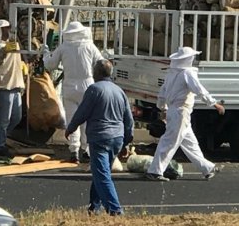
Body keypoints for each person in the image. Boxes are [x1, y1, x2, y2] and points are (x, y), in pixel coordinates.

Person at [145, 46, 225, 182]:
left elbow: (162, 94)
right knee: (169, 142)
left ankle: (207, 169)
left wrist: (163, 109)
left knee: (190, 144)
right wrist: (214, 103)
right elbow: (199, 89)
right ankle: (155, 171)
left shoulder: (171, 73)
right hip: (181, 112)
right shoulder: (188, 73)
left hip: (175, 111)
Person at [65, 59, 133, 216]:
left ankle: (115, 210)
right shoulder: (119, 91)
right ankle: (94, 207)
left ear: (96, 73)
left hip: (100, 137)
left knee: (102, 175)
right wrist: (127, 142)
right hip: (117, 137)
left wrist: (71, 128)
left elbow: (83, 112)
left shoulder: (94, 89)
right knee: (101, 172)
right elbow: (128, 119)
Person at [43, 21, 103, 163]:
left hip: (69, 85)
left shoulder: (64, 47)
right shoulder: (90, 46)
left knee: (72, 119)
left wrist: (45, 53)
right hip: (88, 85)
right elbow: (101, 64)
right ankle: (87, 150)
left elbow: (50, 65)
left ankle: (73, 151)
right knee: (87, 120)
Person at [0, 19, 26, 157]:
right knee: (5, 119)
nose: (7, 31)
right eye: (5, 29)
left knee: (17, 117)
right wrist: (3, 52)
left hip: (16, 84)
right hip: (5, 86)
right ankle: (0, 145)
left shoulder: (12, 44)